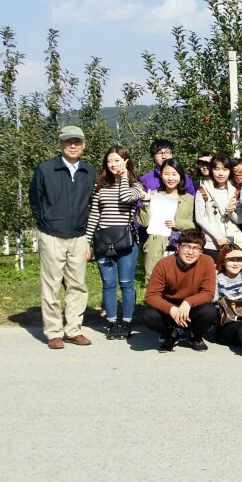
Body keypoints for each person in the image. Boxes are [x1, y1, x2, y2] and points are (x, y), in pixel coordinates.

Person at [29, 126, 96, 349]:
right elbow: (35, 200)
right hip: (52, 235)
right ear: (60, 144)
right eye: (68, 142)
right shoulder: (45, 170)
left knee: (77, 285)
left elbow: (91, 203)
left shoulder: (88, 171)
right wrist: (46, 222)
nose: (73, 146)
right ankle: (54, 332)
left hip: (78, 236)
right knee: (52, 285)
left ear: (83, 145)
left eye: (77, 142)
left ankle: (73, 329)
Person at [86, 145, 147, 340]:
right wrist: (86, 241)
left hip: (126, 241)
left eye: (117, 161)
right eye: (109, 161)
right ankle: (112, 322)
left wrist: (124, 177)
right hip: (103, 241)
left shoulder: (136, 186)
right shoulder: (100, 186)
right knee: (108, 284)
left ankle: (127, 322)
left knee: (126, 283)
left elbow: (125, 197)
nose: (113, 164)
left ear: (126, 162)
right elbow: (94, 214)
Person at [143, 229, 218, 353]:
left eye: (196, 248)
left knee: (209, 311)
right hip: (169, 310)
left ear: (201, 252)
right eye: (186, 246)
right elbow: (151, 296)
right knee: (149, 316)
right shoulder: (164, 264)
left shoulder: (207, 261)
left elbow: (208, 293)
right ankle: (170, 334)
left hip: (191, 310)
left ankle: (195, 336)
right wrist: (171, 308)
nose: (190, 252)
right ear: (178, 247)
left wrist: (188, 302)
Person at [139, 158, 196, 281]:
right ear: (161, 175)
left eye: (174, 174)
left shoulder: (190, 199)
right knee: (155, 281)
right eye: (166, 174)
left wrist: (177, 223)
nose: (170, 178)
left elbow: (194, 224)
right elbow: (143, 222)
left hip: (181, 246)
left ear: (181, 175)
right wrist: (145, 203)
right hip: (156, 245)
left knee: (180, 281)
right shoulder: (153, 195)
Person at [195, 154, 242, 259]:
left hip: (234, 243)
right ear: (211, 170)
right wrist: (218, 236)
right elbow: (200, 218)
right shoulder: (202, 191)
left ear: (230, 171)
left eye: (225, 169)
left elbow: (240, 220)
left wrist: (231, 213)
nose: (221, 173)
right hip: (212, 244)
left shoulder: (236, 191)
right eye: (216, 169)